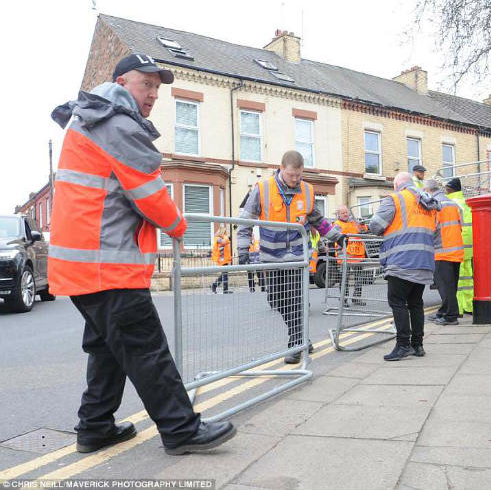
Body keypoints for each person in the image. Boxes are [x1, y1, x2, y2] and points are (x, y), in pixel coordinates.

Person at [48, 53, 235, 455]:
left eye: (157, 87)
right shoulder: (116, 123)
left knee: (108, 350)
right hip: (106, 264)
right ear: (120, 82)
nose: (152, 94)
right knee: (146, 349)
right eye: (144, 84)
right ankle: (181, 429)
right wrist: (181, 228)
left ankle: (95, 427)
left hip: (84, 265)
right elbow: (149, 192)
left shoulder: (94, 117)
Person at [237, 150, 341, 364]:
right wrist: (242, 250)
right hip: (271, 256)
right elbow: (245, 220)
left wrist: (337, 237)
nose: (295, 179)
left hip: (296, 256)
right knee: (279, 300)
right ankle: (302, 337)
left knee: (295, 300)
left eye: (299, 175)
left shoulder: (308, 190)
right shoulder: (262, 189)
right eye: (291, 175)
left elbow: (318, 220)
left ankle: (295, 344)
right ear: (282, 169)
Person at [369, 172, 436, 360]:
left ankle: (403, 344)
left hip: (401, 260)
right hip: (424, 260)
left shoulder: (395, 199)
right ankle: (418, 345)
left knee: (397, 302)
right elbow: (434, 230)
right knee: (416, 303)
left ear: (397, 185)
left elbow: (376, 225)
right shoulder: (427, 202)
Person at [424, 179, 464, 326]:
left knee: (445, 287)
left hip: (441, 251)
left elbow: (431, 229)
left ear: (428, 191)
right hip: (456, 250)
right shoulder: (453, 204)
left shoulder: (433, 205)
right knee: (451, 286)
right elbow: (461, 225)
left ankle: (450, 316)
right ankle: (443, 312)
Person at [445, 178, 473, 316]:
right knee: (468, 278)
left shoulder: (451, 203)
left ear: (450, 189)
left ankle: (458, 309)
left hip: (458, 243)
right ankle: (470, 306)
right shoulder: (466, 203)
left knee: (458, 279)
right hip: (469, 244)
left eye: (447, 188)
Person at [333, 205, 368, 307]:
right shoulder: (337, 225)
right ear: (338, 215)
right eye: (343, 213)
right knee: (344, 279)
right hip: (344, 256)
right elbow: (334, 236)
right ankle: (343, 299)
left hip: (357, 256)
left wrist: (362, 225)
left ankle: (356, 298)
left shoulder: (354, 223)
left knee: (359, 278)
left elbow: (364, 230)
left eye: (346, 212)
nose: (345, 214)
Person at [211, 226, 232, 294]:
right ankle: (225, 290)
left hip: (224, 259)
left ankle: (214, 285)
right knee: (225, 275)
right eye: (225, 232)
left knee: (224, 274)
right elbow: (223, 242)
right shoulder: (218, 238)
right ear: (222, 232)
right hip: (222, 259)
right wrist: (226, 237)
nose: (226, 233)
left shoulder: (222, 238)